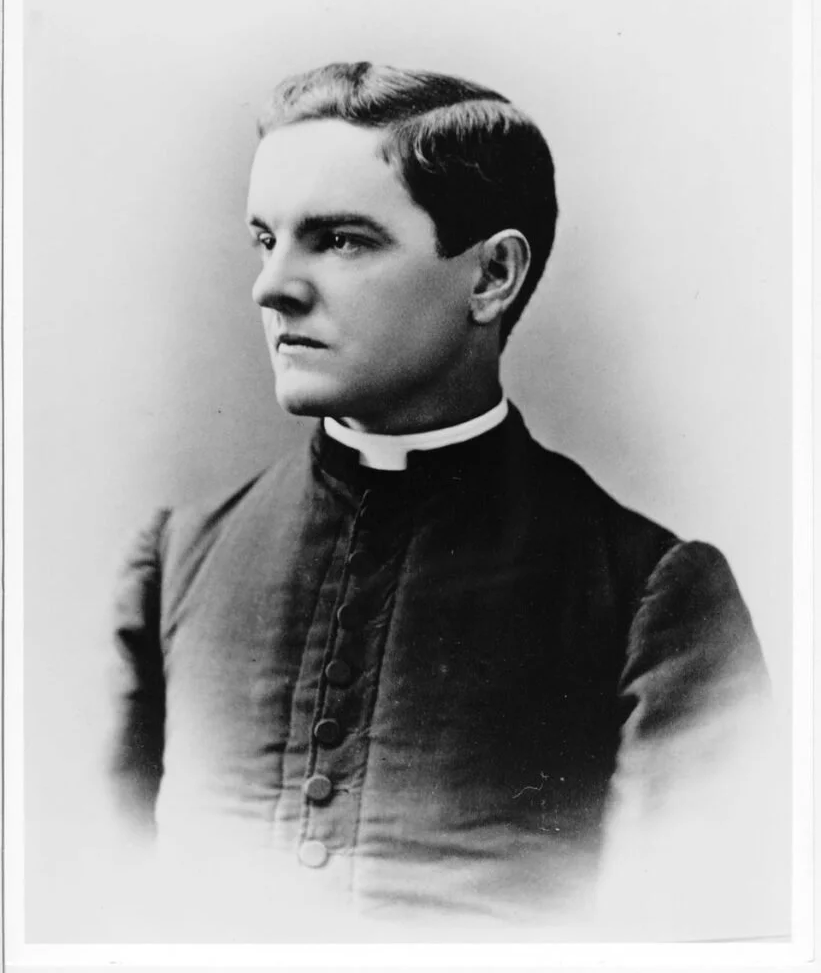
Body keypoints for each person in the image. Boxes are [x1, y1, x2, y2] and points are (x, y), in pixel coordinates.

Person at [108, 62, 779, 941]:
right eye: (265, 240)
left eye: (340, 239)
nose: (272, 288)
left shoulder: (650, 595)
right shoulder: (177, 564)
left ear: (492, 276)